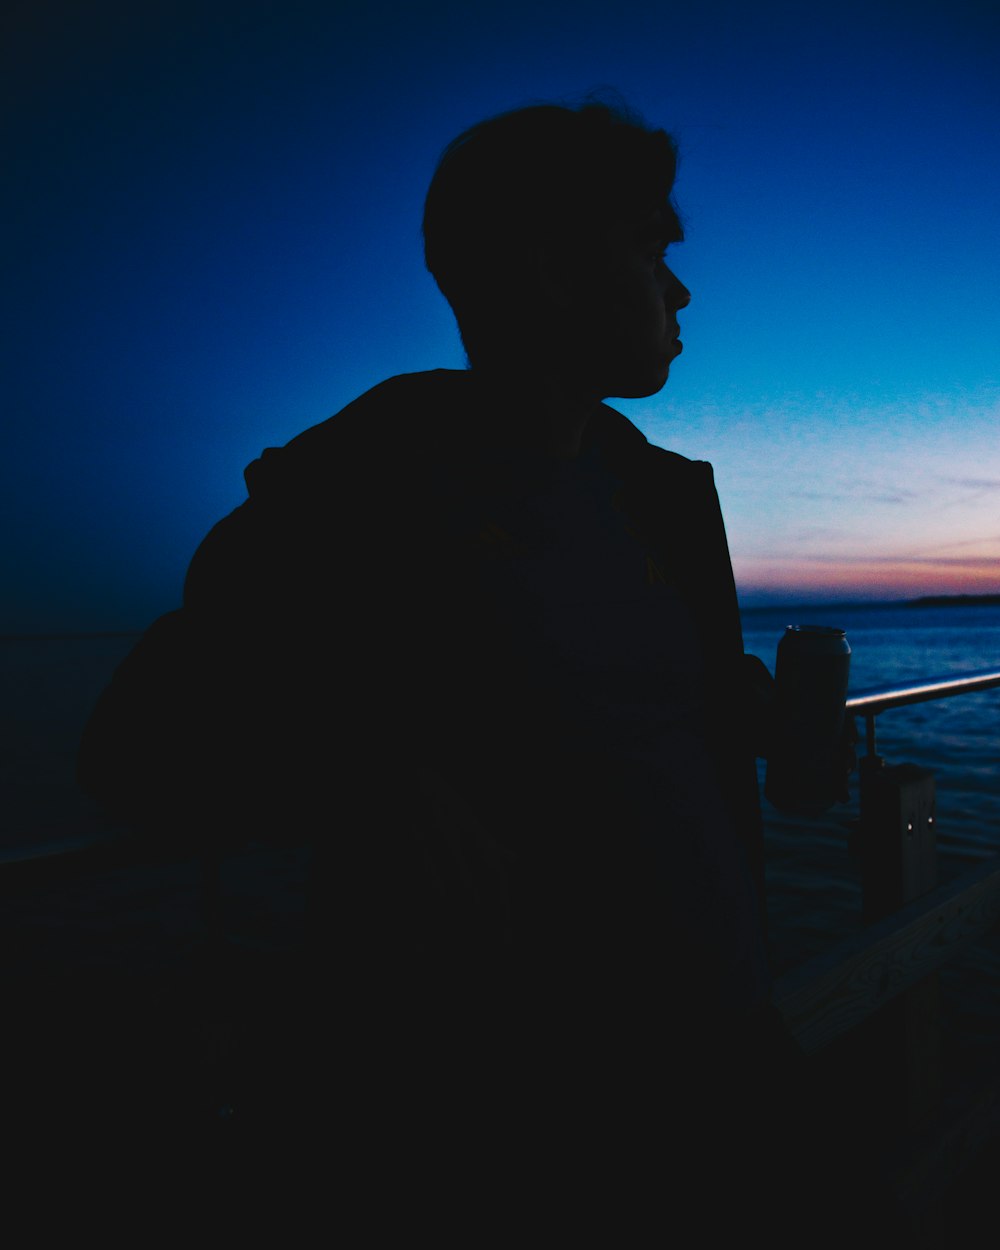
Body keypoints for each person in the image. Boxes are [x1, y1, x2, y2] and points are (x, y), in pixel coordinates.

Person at [77, 99, 876, 1236]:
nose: (680, 289)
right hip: (509, 1113)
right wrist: (362, 768)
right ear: (552, 270)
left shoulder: (656, 497)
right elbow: (135, 745)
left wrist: (766, 719)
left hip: (719, 1037)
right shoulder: (353, 496)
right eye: (653, 253)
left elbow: (629, 687)